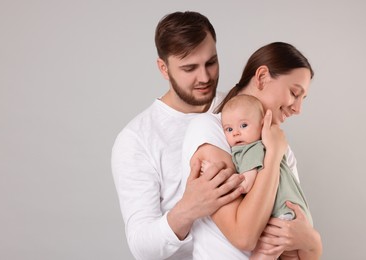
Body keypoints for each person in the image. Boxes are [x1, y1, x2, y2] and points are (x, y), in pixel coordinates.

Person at [111, 11, 245, 260]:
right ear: (163, 68)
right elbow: (142, 247)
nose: (204, 77)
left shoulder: (242, 109)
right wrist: (189, 208)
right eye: (189, 68)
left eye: (211, 62)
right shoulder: (136, 139)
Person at [181, 42, 322, 259]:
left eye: (303, 99)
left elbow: (297, 238)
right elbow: (244, 235)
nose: (298, 109)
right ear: (263, 77)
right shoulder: (212, 130)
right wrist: (272, 156)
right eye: (295, 93)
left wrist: (313, 242)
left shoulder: (283, 148)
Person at [202, 94, 313, 259]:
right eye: (229, 129)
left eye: (244, 125)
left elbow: (245, 184)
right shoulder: (270, 146)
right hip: (296, 215)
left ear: (262, 126)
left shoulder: (250, 149)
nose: (236, 134)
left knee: (263, 253)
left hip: (283, 214)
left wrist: (216, 175)